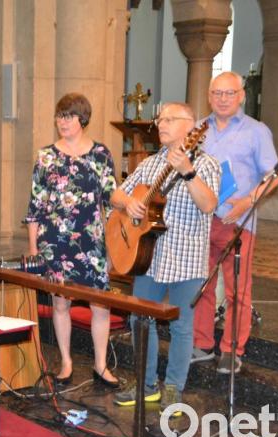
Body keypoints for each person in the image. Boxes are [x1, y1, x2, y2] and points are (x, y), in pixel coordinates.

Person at [111, 102, 220, 416]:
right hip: (148, 257)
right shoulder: (150, 163)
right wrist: (129, 203)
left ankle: (174, 389)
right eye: (160, 119)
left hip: (186, 259)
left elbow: (209, 204)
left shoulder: (207, 163)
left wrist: (188, 173)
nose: (161, 124)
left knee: (182, 327)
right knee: (139, 320)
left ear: (191, 127)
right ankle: (146, 386)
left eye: (170, 119)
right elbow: (117, 194)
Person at [23, 92, 120, 388]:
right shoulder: (45, 156)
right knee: (61, 304)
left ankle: (101, 365)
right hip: (56, 242)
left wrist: (128, 205)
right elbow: (35, 206)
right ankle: (66, 362)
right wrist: (33, 248)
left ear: (83, 119)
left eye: (68, 116)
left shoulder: (101, 153)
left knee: (100, 306)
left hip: (92, 241)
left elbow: (110, 196)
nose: (62, 122)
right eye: (59, 115)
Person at [191, 71, 278, 374]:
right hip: (202, 220)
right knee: (201, 285)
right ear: (209, 96)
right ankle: (202, 343)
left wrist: (248, 200)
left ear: (241, 96)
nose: (223, 99)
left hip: (238, 220)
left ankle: (232, 349)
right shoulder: (198, 130)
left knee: (237, 290)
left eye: (229, 93)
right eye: (217, 93)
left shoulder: (257, 131)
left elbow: (274, 175)